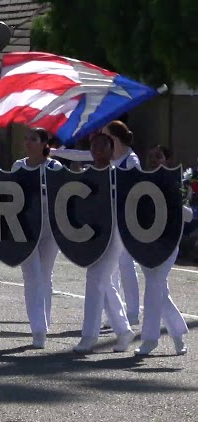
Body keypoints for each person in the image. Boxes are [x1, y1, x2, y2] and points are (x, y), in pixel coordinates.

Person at [74, 133, 134, 354]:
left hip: (114, 235)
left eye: (103, 146)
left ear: (112, 150)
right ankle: (124, 329)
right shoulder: (86, 175)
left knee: (95, 278)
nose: (98, 149)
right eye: (94, 145)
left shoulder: (119, 176)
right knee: (104, 281)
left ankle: (89, 336)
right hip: (92, 235)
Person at [136, 149, 191, 356]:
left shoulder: (179, 183)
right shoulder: (139, 181)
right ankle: (177, 336)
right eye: (150, 156)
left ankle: (149, 340)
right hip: (144, 243)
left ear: (167, 160)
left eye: (158, 156)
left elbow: (188, 216)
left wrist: (174, 201)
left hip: (168, 243)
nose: (153, 159)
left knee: (153, 286)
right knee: (160, 290)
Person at [14, 128, 63, 348]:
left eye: (33, 139)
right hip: (24, 228)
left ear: (45, 143)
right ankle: (38, 329)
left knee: (45, 275)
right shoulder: (18, 166)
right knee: (31, 277)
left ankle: (45, 321)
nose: (28, 142)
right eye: (26, 138)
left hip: (49, 229)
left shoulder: (55, 167)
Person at [104, 120, 142, 326]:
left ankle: (133, 312)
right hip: (111, 218)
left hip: (127, 218)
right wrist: (55, 151)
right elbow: (81, 155)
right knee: (110, 269)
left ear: (114, 138)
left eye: (105, 135)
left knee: (126, 265)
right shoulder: (109, 156)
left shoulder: (131, 160)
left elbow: (134, 192)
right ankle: (114, 315)